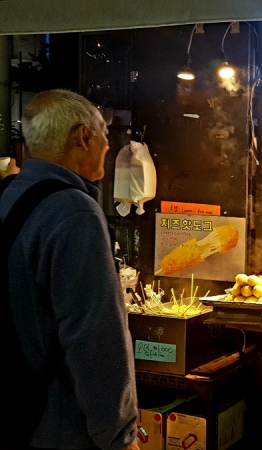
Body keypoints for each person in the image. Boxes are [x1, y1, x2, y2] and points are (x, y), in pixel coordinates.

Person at [0, 90, 139, 450]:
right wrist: (119, 435)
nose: (109, 148)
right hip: (55, 425)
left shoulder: (6, 195)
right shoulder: (74, 212)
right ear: (83, 137)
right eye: (106, 138)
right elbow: (94, 336)